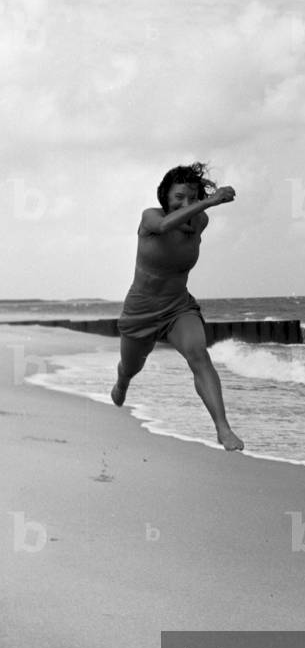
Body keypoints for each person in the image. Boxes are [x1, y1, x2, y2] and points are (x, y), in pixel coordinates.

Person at [111, 162, 244, 452]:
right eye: (179, 197)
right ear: (165, 198)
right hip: (141, 311)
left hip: (177, 308)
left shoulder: (200, 222)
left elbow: (194, 217)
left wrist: (203, 205)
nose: (187, 203)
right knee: (132, 367)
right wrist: (208, 201)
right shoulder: (151, 218)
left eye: (193, 197)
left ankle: (223, 428)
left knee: (199, 354)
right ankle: (122, 381)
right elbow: (164, 226)